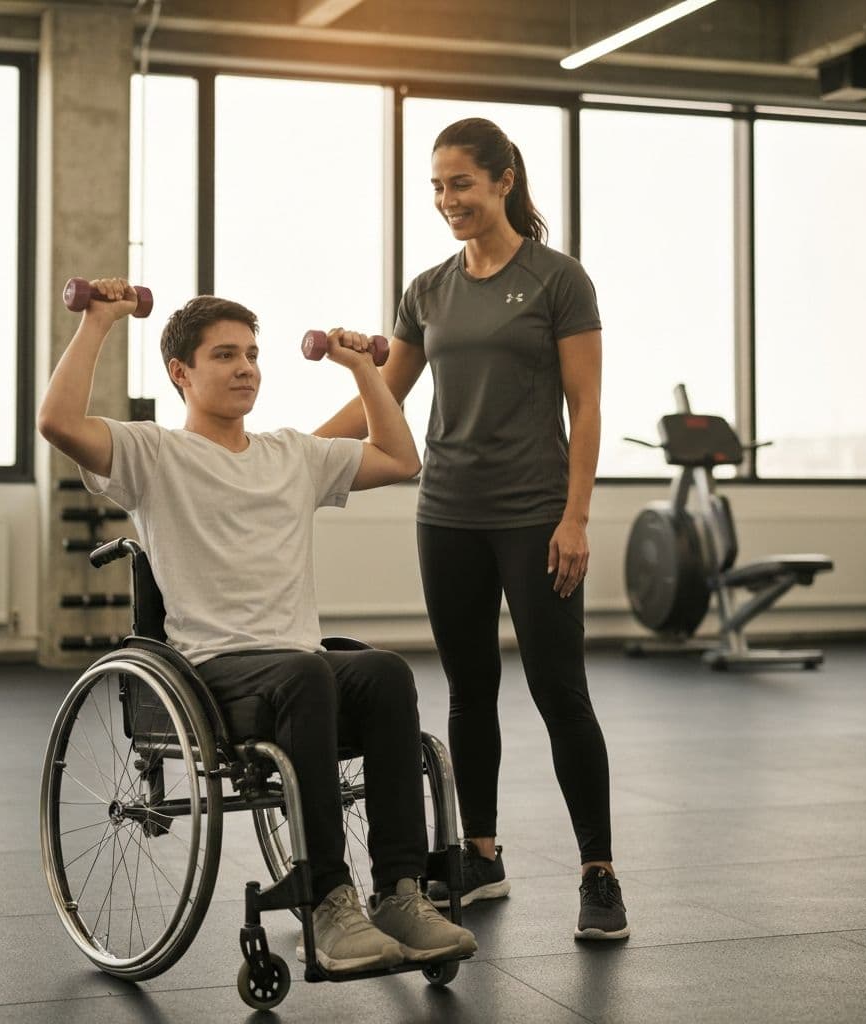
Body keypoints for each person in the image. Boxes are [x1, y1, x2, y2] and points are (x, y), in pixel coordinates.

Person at [37, 283, 477, 974]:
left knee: (385, 672)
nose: (246, 367)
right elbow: (59, 422)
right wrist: (99, 321)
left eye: (252, 354)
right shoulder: (153, 455)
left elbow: (400, 458)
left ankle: (400, 892)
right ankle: (329, 903)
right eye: (224, 355)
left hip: (296, 664)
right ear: (181, 371)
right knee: (305, 674)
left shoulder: (292, 454)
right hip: (214, 675)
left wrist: (364, 368)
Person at [317, 117, 629, 941]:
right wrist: (292, 453)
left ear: (503, 180)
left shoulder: (560, 279)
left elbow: (586, 405)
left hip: (535, 516)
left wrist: (576, 515)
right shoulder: (428, 289)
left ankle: (598, 872)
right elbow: (386, 394)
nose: (446, 200)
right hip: (448, 512)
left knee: (560, 691)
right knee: (469, 690)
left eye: (460, 183)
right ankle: (482, 854)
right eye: (436, 186)